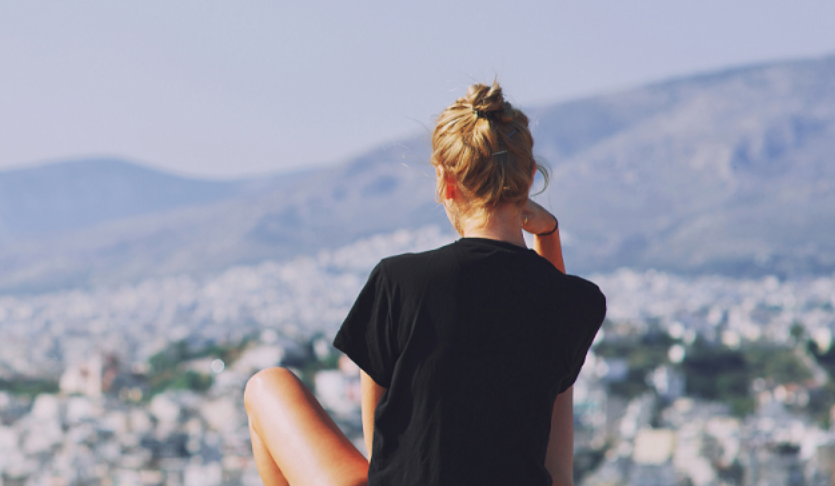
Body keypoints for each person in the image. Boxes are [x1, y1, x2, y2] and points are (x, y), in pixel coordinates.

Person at [243, 82, 607, 486]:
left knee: (266, 386)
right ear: (530, 179)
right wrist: (549, 234)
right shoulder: (577, 304)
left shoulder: (399, 282)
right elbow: (557, 472)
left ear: (446, 182)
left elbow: (381, 453)